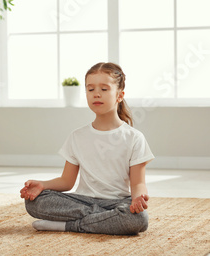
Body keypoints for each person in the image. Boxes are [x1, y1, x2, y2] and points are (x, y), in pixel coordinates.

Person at [20, 62, 154, 235]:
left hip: (117, 202)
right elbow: (67, 181)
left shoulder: (134, 138)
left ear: (120, 95)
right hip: (82, 201)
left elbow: (138, 183)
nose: (96, 94)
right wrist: (43, 185)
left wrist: (138, 199)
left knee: (138, 219)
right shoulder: (77, 136)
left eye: (104, 89)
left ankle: (68, 226)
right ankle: (105, 220)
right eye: (90, 89)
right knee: (34, 202)